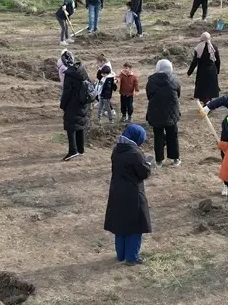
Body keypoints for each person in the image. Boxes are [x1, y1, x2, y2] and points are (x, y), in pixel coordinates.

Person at [103, 124, 152, 266]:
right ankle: (132, 257)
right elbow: (143, 173)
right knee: (135, 225)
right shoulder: (135, 153)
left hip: (117, 192)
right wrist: (148, 163)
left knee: (121, 224)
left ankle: (121, 255)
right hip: (133, 194)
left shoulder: (116, 150)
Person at [145, 59, 182, 166]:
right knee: (173, 135)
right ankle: (175, 159)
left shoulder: (151, 81)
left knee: (158, 136)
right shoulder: (174, 80)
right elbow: (178, 94)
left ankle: (159, 161)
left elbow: (149, 96)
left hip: (156, 113)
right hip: (172, 113)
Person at [60, 55, 93, 162]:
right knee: (80, 125)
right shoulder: (82, 70)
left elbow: (66, 93)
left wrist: (63, 105)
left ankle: (72, 151)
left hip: (72, 104)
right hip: (83, 103)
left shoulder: (69, 75)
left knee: (71, 128)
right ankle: (81, 149)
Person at [187, 32, 221, 105]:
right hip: (212, 70)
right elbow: (218, 60)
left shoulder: (199, 48)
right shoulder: (214, 47)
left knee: (202, 90)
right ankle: (209, 104)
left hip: (202, 71)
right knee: (210, 89)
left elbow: (194, 62)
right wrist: (217, 70)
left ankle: (207, 104)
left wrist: (189, 72)